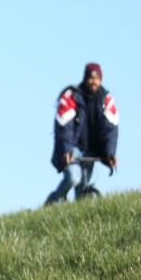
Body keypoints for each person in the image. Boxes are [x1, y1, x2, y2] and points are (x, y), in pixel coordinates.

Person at [45, 62, 119, 205]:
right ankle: (53, 202)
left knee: (82, 189)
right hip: (73, 148)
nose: (94, 82)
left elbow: (111, 129)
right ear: (85, 78)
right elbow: (64, 126)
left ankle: (71, 218)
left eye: (97, 78)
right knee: (73, 177)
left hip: (90, 151)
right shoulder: (71, 96)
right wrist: (66, 149)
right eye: (91, 78)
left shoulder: (106, 99)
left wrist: (110, 153)